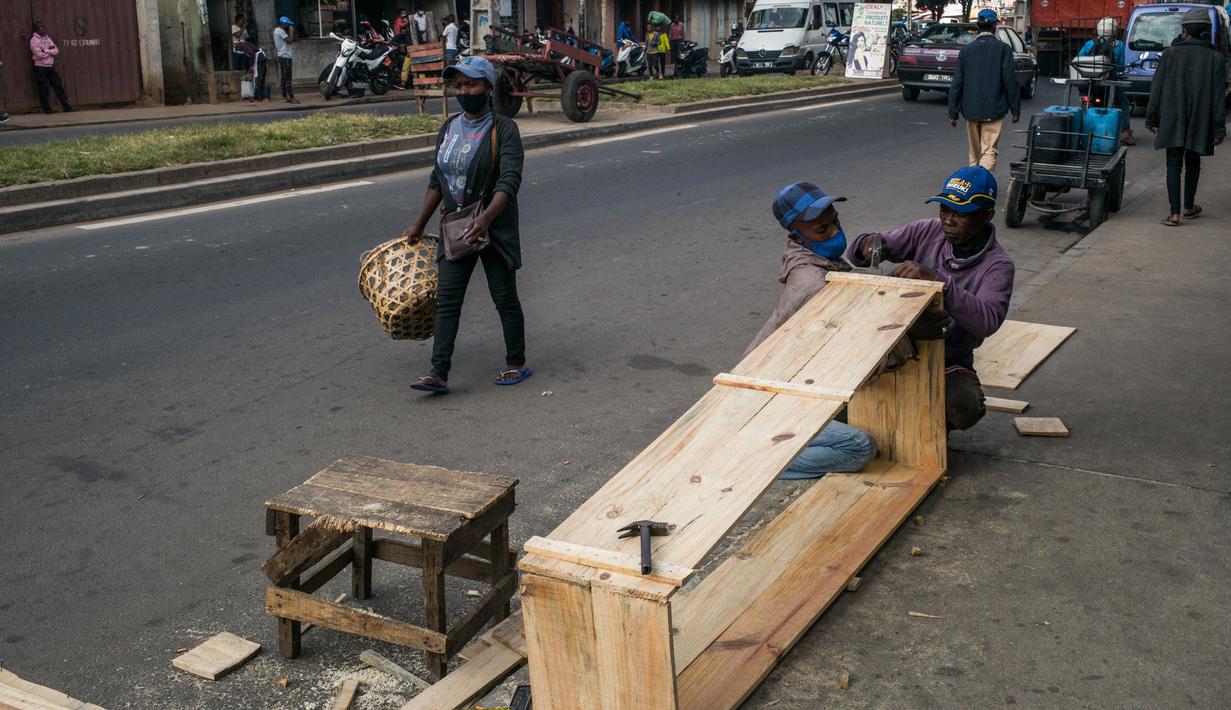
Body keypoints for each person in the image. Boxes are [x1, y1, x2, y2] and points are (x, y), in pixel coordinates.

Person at [848, 166, 1015, 431]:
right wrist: (867, 244)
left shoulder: (997, 265)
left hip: (949, 360)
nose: (948, 221)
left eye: (960, 214)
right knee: (844, 408)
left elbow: (987, 321)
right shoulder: (925, 231)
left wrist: (939, 283)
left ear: (986, 216)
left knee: (966, 406)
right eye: (944, 210)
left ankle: (932, 430)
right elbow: (860, 248)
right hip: (897, 347)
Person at [405, 57, 530, 394]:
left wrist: (486, 218)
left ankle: (516, 362)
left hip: (494, 228)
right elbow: (437, 179)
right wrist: (418, 224)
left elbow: (508, 182)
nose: (463, 91)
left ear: (488, 88)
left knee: (504, 299)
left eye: (471, 85)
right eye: (458, 85)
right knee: (447, 301)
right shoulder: (448, 128)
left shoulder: (504, 129)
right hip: (456, 227)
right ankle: (438, 372)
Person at [743, 182, 877, 479]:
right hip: (767, 395)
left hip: (790, 385)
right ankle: (750, 463)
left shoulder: (819, 261)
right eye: (822, 229)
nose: (833, 232)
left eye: (835, 222)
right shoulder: (813, 283)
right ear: (796, 234)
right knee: (860, 446)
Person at [1146, 7, 1227, 226]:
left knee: (1173, 163)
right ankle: (1189, 207)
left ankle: (1174, 214)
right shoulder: (1215, 59)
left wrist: (1152, 119)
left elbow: (1157, 89)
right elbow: (1219, 99)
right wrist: (1219, 129)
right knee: (1193, 161)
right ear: (1205, 33)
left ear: (1184, 31)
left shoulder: (1170, 54)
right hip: (1200, 121)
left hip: (1172, 118)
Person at [947, 9, 1019, 171]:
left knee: (974, 153)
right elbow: (1010, 82)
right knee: (989, 151)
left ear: (978, 27)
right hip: (994, 108)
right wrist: (1015, 109)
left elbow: (957, 83)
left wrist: (953, 112)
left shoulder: (966, 51)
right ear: (995, 27)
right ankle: (982, 184)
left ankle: (973, 184)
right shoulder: (1003, 49)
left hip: (970, 109)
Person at [1076, 16, 1133, 145]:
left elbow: (1079, 59)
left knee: (1084, 104)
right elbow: (1121, 66)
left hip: (1091, 82)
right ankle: (1125, 132)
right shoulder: (1118, 45)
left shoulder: (1090, 43)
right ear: (1114, 30)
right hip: (1110, 83)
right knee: (1123, 103)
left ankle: (1083, 130)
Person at [29, 21, 71, 114]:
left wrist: (46, 51)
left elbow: (56, 50)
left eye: (44, 27)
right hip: (40, 67)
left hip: (50, 67)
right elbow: (38, 54)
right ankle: (47, 109)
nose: (44, 29)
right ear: (36, 29)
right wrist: (50, 52)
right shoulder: (33, 40)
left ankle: (66, 106)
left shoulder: (48, 39)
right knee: (43, 88)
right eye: (41, 28)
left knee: (58, 85)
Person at [273, 16, 298, 104]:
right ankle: (291, 97)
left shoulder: (278, 31)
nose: (289, 26)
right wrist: (291, 32)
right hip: (285, 57)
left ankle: (284, 97)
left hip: (282, 56)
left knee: (284, 78)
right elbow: (290, 41)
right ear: (284, 24)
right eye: (288, 24)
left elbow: (290, 40)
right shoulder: (280, 31)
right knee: (288, 78)